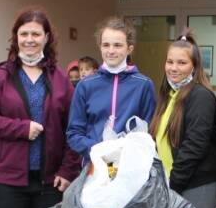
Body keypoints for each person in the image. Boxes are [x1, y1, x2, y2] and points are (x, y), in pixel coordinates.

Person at [0, 7, 80, 208]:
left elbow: (73, 128)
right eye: (24, 34)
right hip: (5, 182)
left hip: (49, 184)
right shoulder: (1, 76)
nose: (29, 40)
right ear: (16, 38)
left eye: (35, 34)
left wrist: (67, 170)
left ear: (46, 38)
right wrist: (22, 129)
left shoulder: (61, 79)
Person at [150, 32, 216, 208]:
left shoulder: (200, 96)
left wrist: (173, 185)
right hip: (174, 184)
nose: (174, 68)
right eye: (170, 62)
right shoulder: (168, 96)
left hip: (197, 185)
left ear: (195, 66)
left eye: (182, 63)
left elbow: (194, 146)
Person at [66, 17, 157, 161]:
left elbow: (151, 132)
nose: (111, 51)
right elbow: (74, 133)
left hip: (130, 168)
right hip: (95, 167)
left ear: (129, 49)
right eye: (106, 45)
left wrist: (127, 152)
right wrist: (99, 150)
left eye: (118, 45)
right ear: (100, 47)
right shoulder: (85, 85)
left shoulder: (143, 85)